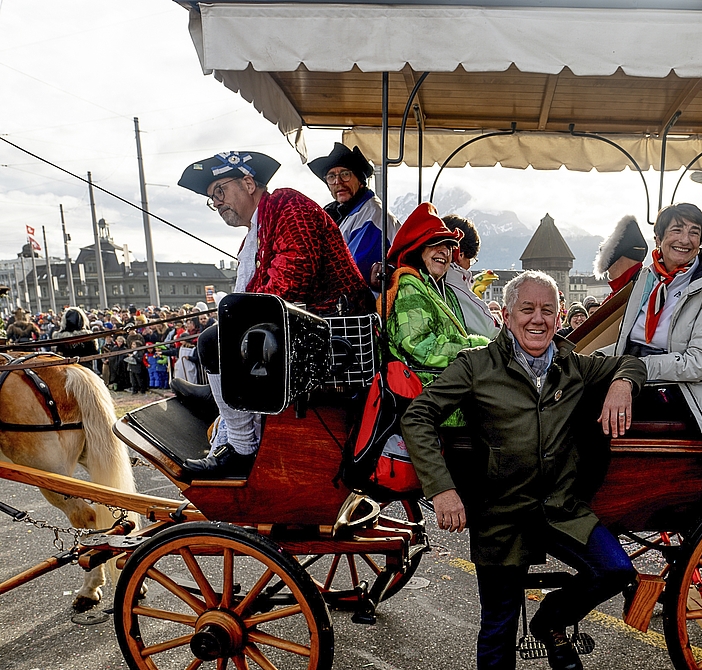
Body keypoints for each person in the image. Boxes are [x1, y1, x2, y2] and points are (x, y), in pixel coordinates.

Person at [401, 271, 646, 670]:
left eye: (547, 310)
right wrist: (442, 489)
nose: (538, 319)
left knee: (617, 570)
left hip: (560, 509)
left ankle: (551, 619)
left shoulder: (575, 366)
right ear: (507, 315)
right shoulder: (476, 365)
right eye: (527, 309)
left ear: (560, 315)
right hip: (501, 514)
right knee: (498, 626)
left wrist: (623, 383)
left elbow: (631, 361)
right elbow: (418, 416)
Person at [175, 150, 373, 478]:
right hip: (314, 326)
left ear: (249, 182)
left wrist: (237, 317)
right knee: (216, 338)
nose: (218, 203)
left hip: (336, 333)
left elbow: (295, 273)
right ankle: (219, 397)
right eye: (213, 198)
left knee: (214, 343)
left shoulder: (285, 204)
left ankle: (241, 447)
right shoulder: (259, 229)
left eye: (220, 191)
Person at [610, 203, 702, 430]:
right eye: (677, 230)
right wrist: (586, 361)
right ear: (658, 239)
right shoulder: (646, 277)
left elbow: (701, 362)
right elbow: (627, 344)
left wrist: (633, 370)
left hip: (685, 392)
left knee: (596, 415)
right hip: (637, 372)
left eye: (694, 232)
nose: (685, 240)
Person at [381, 203, 491, 397]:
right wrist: (479, 347)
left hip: (449, 391)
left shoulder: (437, 288)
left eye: (449, 246)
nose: (444, 251)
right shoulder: (409, 287)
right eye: (435, 244)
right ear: (418, 248)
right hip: (430, 399)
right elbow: (421, 346)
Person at [307, 142, 400, 286]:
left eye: (345, 174)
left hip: (365, 304)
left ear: (361, 180)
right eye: (331, 176)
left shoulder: (373, 216)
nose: (338, 181)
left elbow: (353, 273)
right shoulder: (340, 212)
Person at [443, 214, 501, 339]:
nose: (469, 267)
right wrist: (499, 318)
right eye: (471, 260)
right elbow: (490, 329)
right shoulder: (453, 279)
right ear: (460, 254)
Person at [593, 215, 648, 298]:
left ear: (618, 262)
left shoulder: (641, 289)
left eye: (609, 269)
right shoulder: (645, 284)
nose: (609, 276)